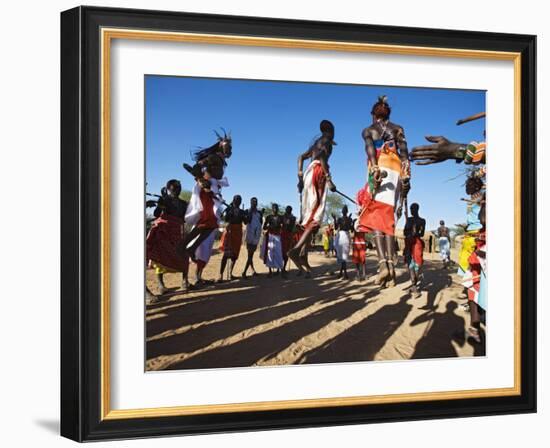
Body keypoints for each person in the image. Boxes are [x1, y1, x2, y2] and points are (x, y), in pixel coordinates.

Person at [356, 96, 411, 287]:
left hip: (381, 167)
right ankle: (392, 272)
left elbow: (370, 150)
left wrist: (373, 169)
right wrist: (406, 174)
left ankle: (383, 266)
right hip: (396, 170)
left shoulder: (369, 130)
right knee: (388, 218)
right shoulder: (398, 129)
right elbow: (404, 152)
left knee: (376, 217)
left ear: (373, 115)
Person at [288, 120, 338, 277]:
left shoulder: (316, 143)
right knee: (315, 218)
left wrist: (300, 177)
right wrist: (329, 179)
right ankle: (296, 251)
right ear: (330, 131)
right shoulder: (327, 141)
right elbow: (323, 157)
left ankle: (303, 257)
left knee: (311, 219)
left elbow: (300, 157)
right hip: (318, 173)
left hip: (309, 172)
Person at [180, 130, 232, 258]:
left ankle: (191, 247)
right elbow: (196, 168)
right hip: (206, 189)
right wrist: (201, 180)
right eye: (227, 147)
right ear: (221, 145)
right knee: (207, 221)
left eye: (230, 148)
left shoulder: (221, 160)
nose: (229, 150)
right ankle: (183, 245)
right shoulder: (213, 157)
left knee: (211, 224)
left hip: (213, 190)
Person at [145, 179, 189, 303]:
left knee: (183, 256)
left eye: (178, 188)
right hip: (164, 231)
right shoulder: (164, 200)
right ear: (168, 189)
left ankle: (185, 281)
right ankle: (161, 285)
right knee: (160, 255)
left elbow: (184, 218)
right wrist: (161, 203)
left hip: (177, 231)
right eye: (173, 188)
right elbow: (157, 213)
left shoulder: (183, 203)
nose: (176, 190)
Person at [217, 195, 246, 282]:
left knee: (235, 255)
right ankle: (220, 275)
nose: (237, 201)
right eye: (236, 200)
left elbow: (245, 221)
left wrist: (247, 216)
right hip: (230, 231)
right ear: (233, 200)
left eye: (239, 200)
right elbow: (225, 219)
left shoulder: (242, 211)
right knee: (226, 255)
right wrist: (229, 213)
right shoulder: (229, 209)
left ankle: (230, 273)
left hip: (238, 233)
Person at [403, 202, 426, 297]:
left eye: (413, 209)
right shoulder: (408, 220)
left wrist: (416, 232)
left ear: (417, 209)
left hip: (417, 243)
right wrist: (409, 231)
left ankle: (415, 282)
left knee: (418, 263)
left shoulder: (422, 220)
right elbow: (405, 232)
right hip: (408, 242)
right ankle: (414, 285)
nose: (412, 211)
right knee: (410, 263)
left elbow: (422, 234)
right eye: (411, 209)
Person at [261, 203, 285, 277]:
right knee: (270, 253)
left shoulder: (281, 217)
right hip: (270, 236)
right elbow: (264, 227)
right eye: (274, 208)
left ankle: (279, 270)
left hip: (278, 236)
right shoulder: (269, 217)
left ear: (278, 209)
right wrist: (267, 226)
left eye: (276, 208)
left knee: (278, 253)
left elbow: (283, 226)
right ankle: (270, 271)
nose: (275, 209)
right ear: (272, 209)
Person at [241, 197, 263, 278]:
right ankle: (244, 272)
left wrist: (261, 215)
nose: (254, 203)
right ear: (250, 203)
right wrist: (249, 214)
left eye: (255, 202)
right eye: (253, 202)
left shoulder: (259, 212)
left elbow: (261, 222)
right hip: (250, 235)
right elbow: (246, 222)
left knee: (251, 254)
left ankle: (252, 270)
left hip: (256, 235)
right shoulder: (247, 211)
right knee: (250, 254)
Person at [333, 205, 353, 279]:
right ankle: (342, 273)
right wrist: (350, 221)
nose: (343, 211)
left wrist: (334, 219)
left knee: (343, 256)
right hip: (345, 236)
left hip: (342, 236)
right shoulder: (348, 219)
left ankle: (345, 273)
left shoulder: (340, 219)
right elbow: (351, 229)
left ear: (343, 211)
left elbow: (335, 227)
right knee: (343, 256)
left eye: (344, 210)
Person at [281, 206, 297, 271]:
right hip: (282, 235)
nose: (287, 211)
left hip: (289, 235)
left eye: (289, 210)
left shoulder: (293, 218)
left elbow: (291, 226)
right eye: (287, 209)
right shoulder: (282, 217)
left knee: (287, 252)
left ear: (291, 210)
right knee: (281, 251)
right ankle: (280, 267)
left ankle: (284, 267)